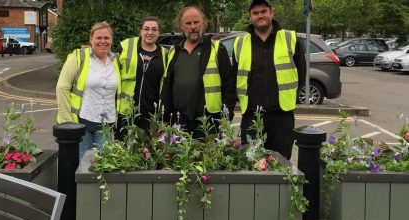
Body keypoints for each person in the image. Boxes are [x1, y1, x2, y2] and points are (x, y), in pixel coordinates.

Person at [232, 0, 306, 159]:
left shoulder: (290, 38)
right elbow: (234, 76)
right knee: (251, 164)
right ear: (250, 17)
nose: (260, 16)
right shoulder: (240, 43)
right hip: (251, 115)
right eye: (256, 13)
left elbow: (301, 73)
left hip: (281, 116)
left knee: (281, 164)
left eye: (263, 11)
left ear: (271, 12)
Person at [160, 6, 236, 139]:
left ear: (204, 23)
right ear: (181, 27)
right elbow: (166, 86)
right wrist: (165, 117)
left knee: (207, 159)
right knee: (180, 159)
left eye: (196, 22)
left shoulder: (217, 48)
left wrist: (227, 116)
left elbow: (229, 85)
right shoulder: (174, 52)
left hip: (208, 120)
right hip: (178, 119)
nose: (193, 26)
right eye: (188, 23)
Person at [56, 21, 122, 159]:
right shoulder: (79, 57)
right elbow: (62, 87)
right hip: (82, 123)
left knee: (104, 165)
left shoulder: (116, 60)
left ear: (111, 40)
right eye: (98, 38)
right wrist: (67, 122)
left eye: (106, 38)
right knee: (83, 167)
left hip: (106, 124)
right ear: (91, 39)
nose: (102, 41)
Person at [115, 16, 166, 140]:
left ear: (159, 33)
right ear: (141, 30)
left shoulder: (165, 54)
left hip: (149, 115)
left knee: (145, 153)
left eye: (154, 29)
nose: (150, 32)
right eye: (146, 29)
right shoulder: (126, 46)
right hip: (125, 113)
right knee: (123, 150)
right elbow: (111, 72)